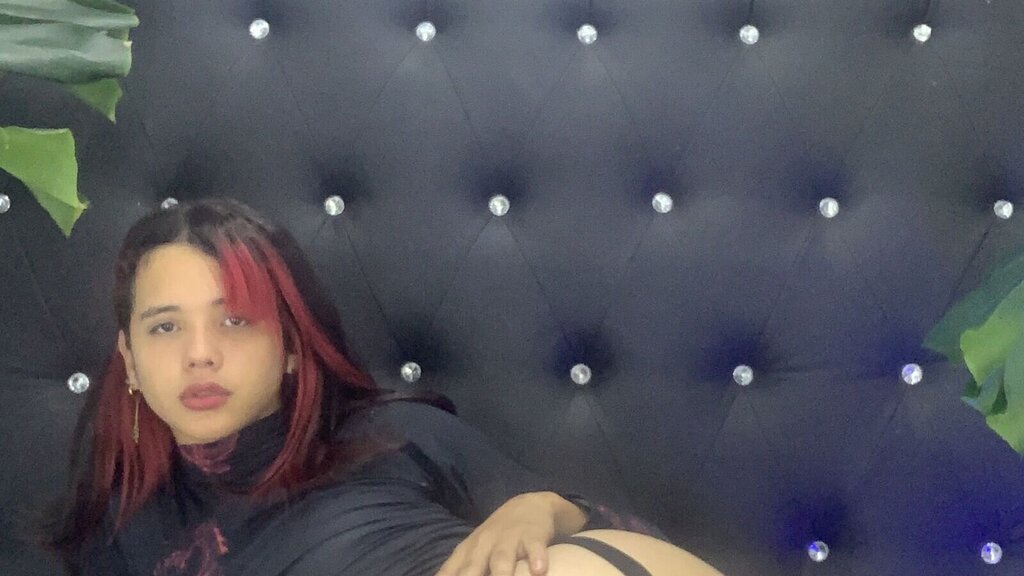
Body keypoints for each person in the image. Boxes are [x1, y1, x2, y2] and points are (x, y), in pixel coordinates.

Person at [27, 197, 725, 576]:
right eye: (165, 327)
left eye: (236, 320)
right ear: (129, 358)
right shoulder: (116, 526)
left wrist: (539, 509)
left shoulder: (392, 436)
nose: (200, 355)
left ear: (292, 346)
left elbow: (627, 532)